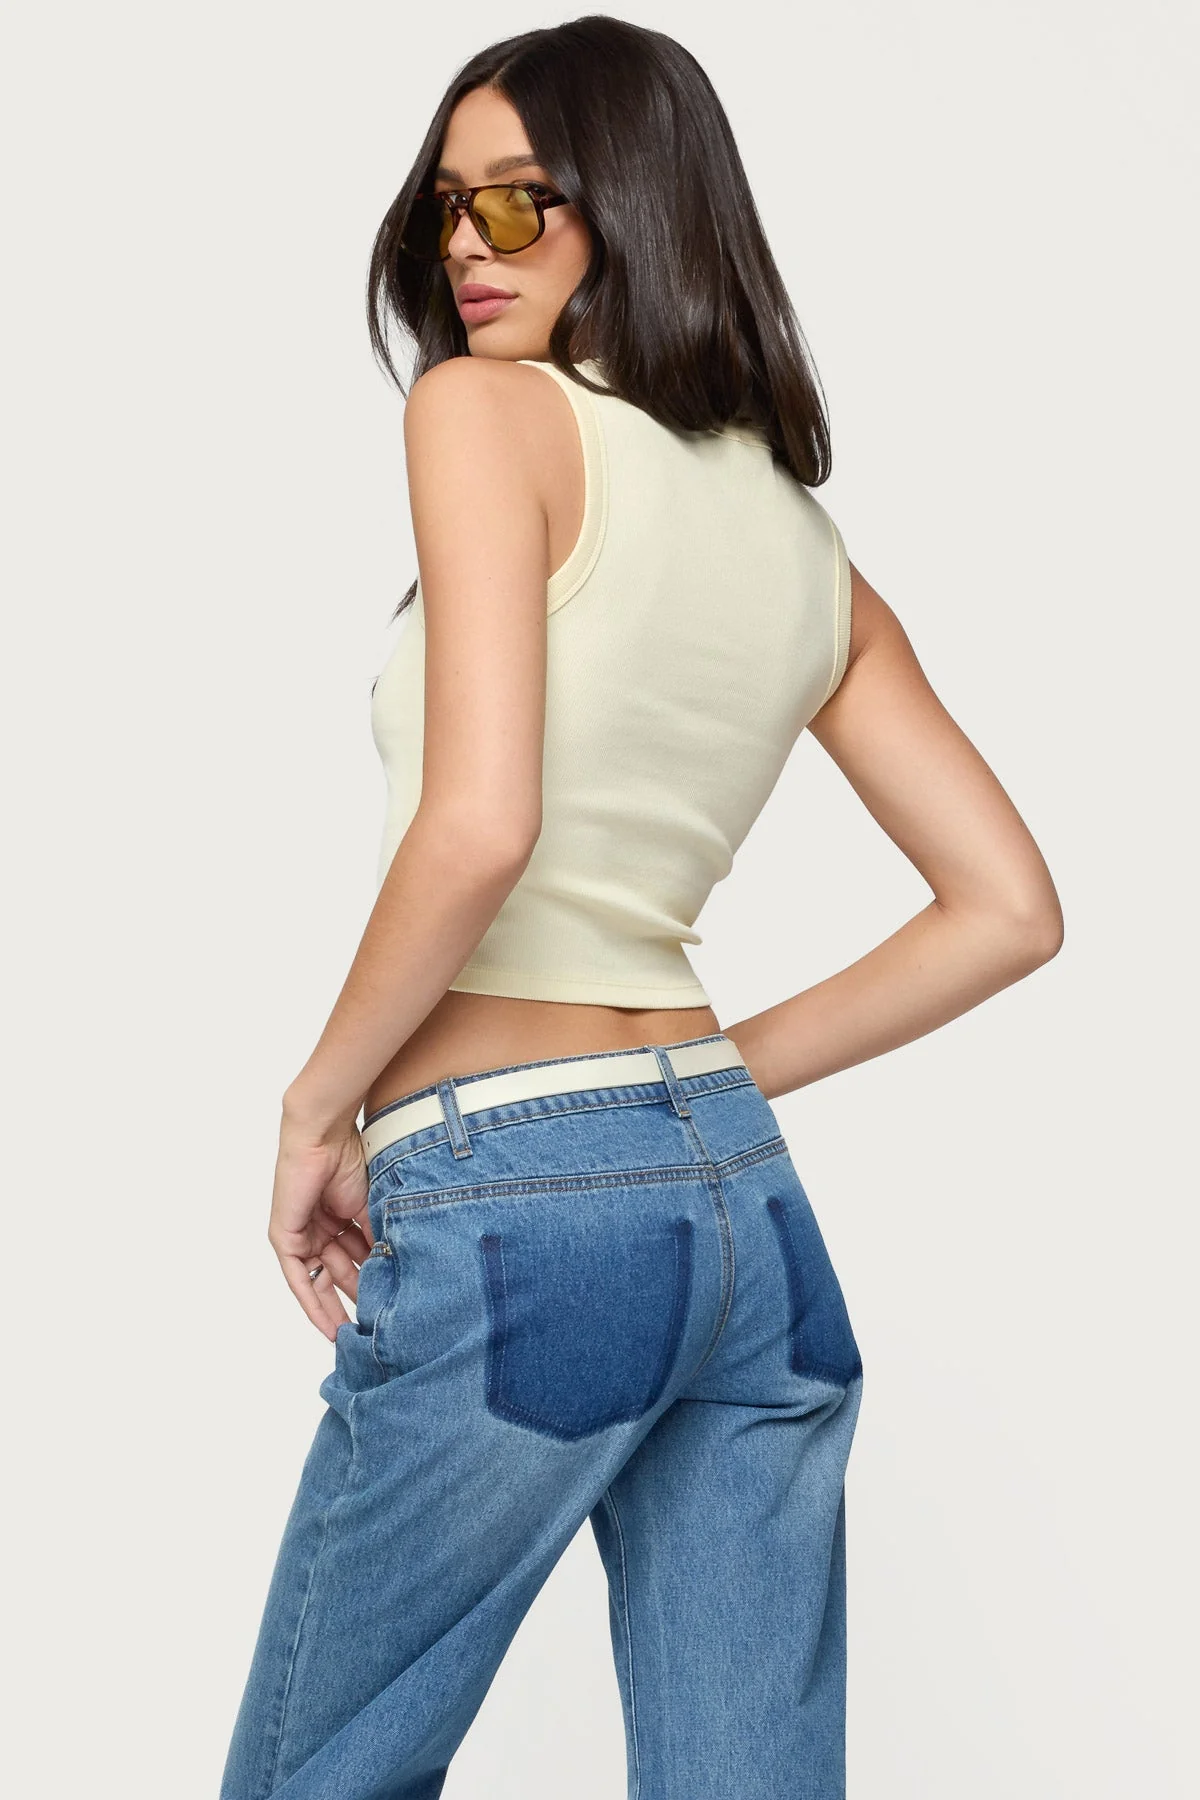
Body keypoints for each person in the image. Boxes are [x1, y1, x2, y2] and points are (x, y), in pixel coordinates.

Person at [219, 16, 1063, 1799]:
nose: (466, 248)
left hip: (518, 1205)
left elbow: (479, 825)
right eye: (445, 206)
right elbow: (1005, 906)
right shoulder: (807, 547)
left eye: (518, 204)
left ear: (636, 207)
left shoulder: (485, 417)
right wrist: (705, 1084)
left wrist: (313, 1110)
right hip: (749, 1217)